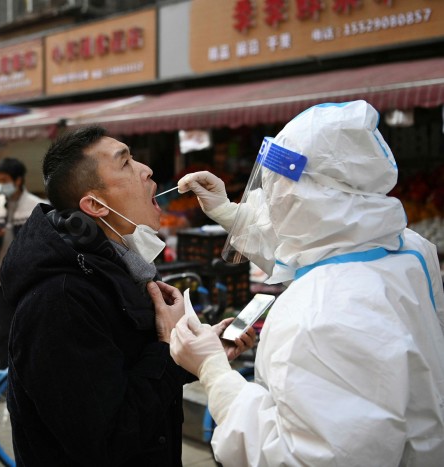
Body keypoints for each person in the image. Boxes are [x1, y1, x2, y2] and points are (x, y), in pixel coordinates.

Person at [166, 100, 444, 466]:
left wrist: (215, 374)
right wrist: (232, 214)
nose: (269, 196)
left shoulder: (318, 313)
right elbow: (314, 247)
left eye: (275, 184)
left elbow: (299, 458)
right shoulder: (406, 248)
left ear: (307, 191)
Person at [0, 126, 254, 466]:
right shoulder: (60, 301)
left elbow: (132, 375)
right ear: (94, 205)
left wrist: (196, 352)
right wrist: (166, 346)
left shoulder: (126, 268)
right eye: (126, 163)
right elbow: (107, 439)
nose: (146, 169)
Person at [0, 157, 45, 369]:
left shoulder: (37, 207)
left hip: (28, 281)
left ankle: (26, 376)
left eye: (4, 180)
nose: (0, 184)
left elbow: (44, 244)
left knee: (28, 330)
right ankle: (2, 377)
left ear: (18, 180)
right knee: (1, 333)